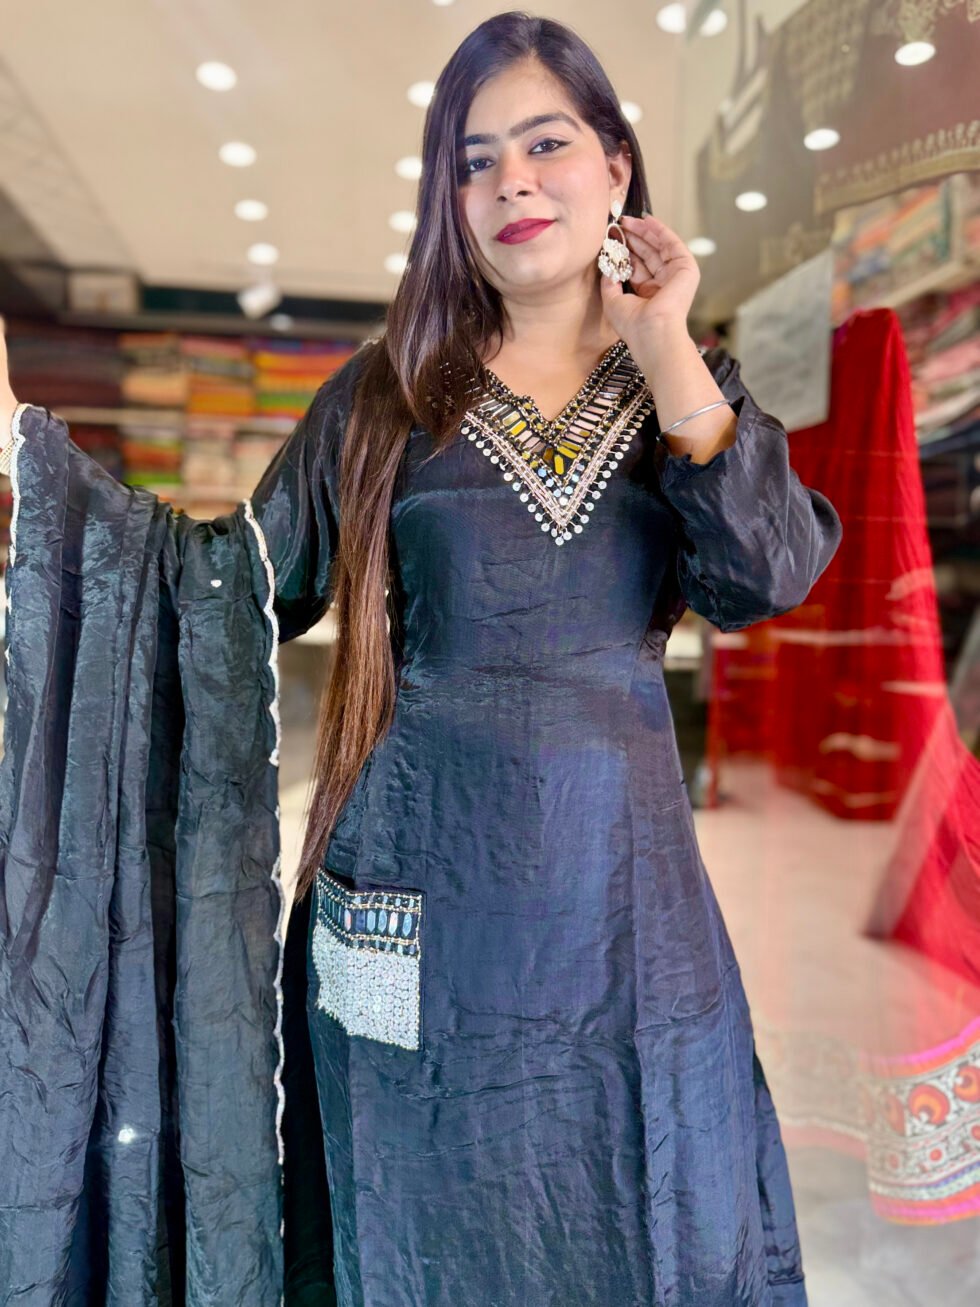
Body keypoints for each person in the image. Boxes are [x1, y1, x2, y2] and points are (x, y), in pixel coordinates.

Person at [0, 12, 843, 1306]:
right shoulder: (385, 393)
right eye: (474, 159)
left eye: (546, 144)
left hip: (622, 913)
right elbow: (227, 587)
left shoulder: (685, 387)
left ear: (615, 165)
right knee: (405, 1210)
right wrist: (26, 453)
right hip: (409, 885)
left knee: (648, 1203)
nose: (512, 182)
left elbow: (763, 576)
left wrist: (667, 339)